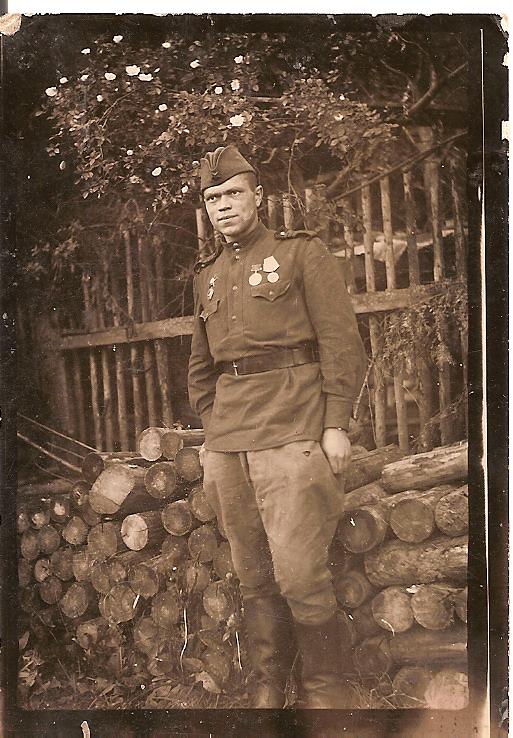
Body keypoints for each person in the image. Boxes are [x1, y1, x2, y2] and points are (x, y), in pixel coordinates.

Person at [188, 145, 367, 709]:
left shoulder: (300, 254)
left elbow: (341, 341)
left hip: (293, 427)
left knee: (298, 571)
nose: (223, 205)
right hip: (229, 441)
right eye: (212, 198)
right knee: (252, 572)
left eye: (232, 193)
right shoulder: (207, 276)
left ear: (258, 196)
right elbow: (201, 367)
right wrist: (212, 428)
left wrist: (335, 424)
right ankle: (268, 682)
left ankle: (325, 688)